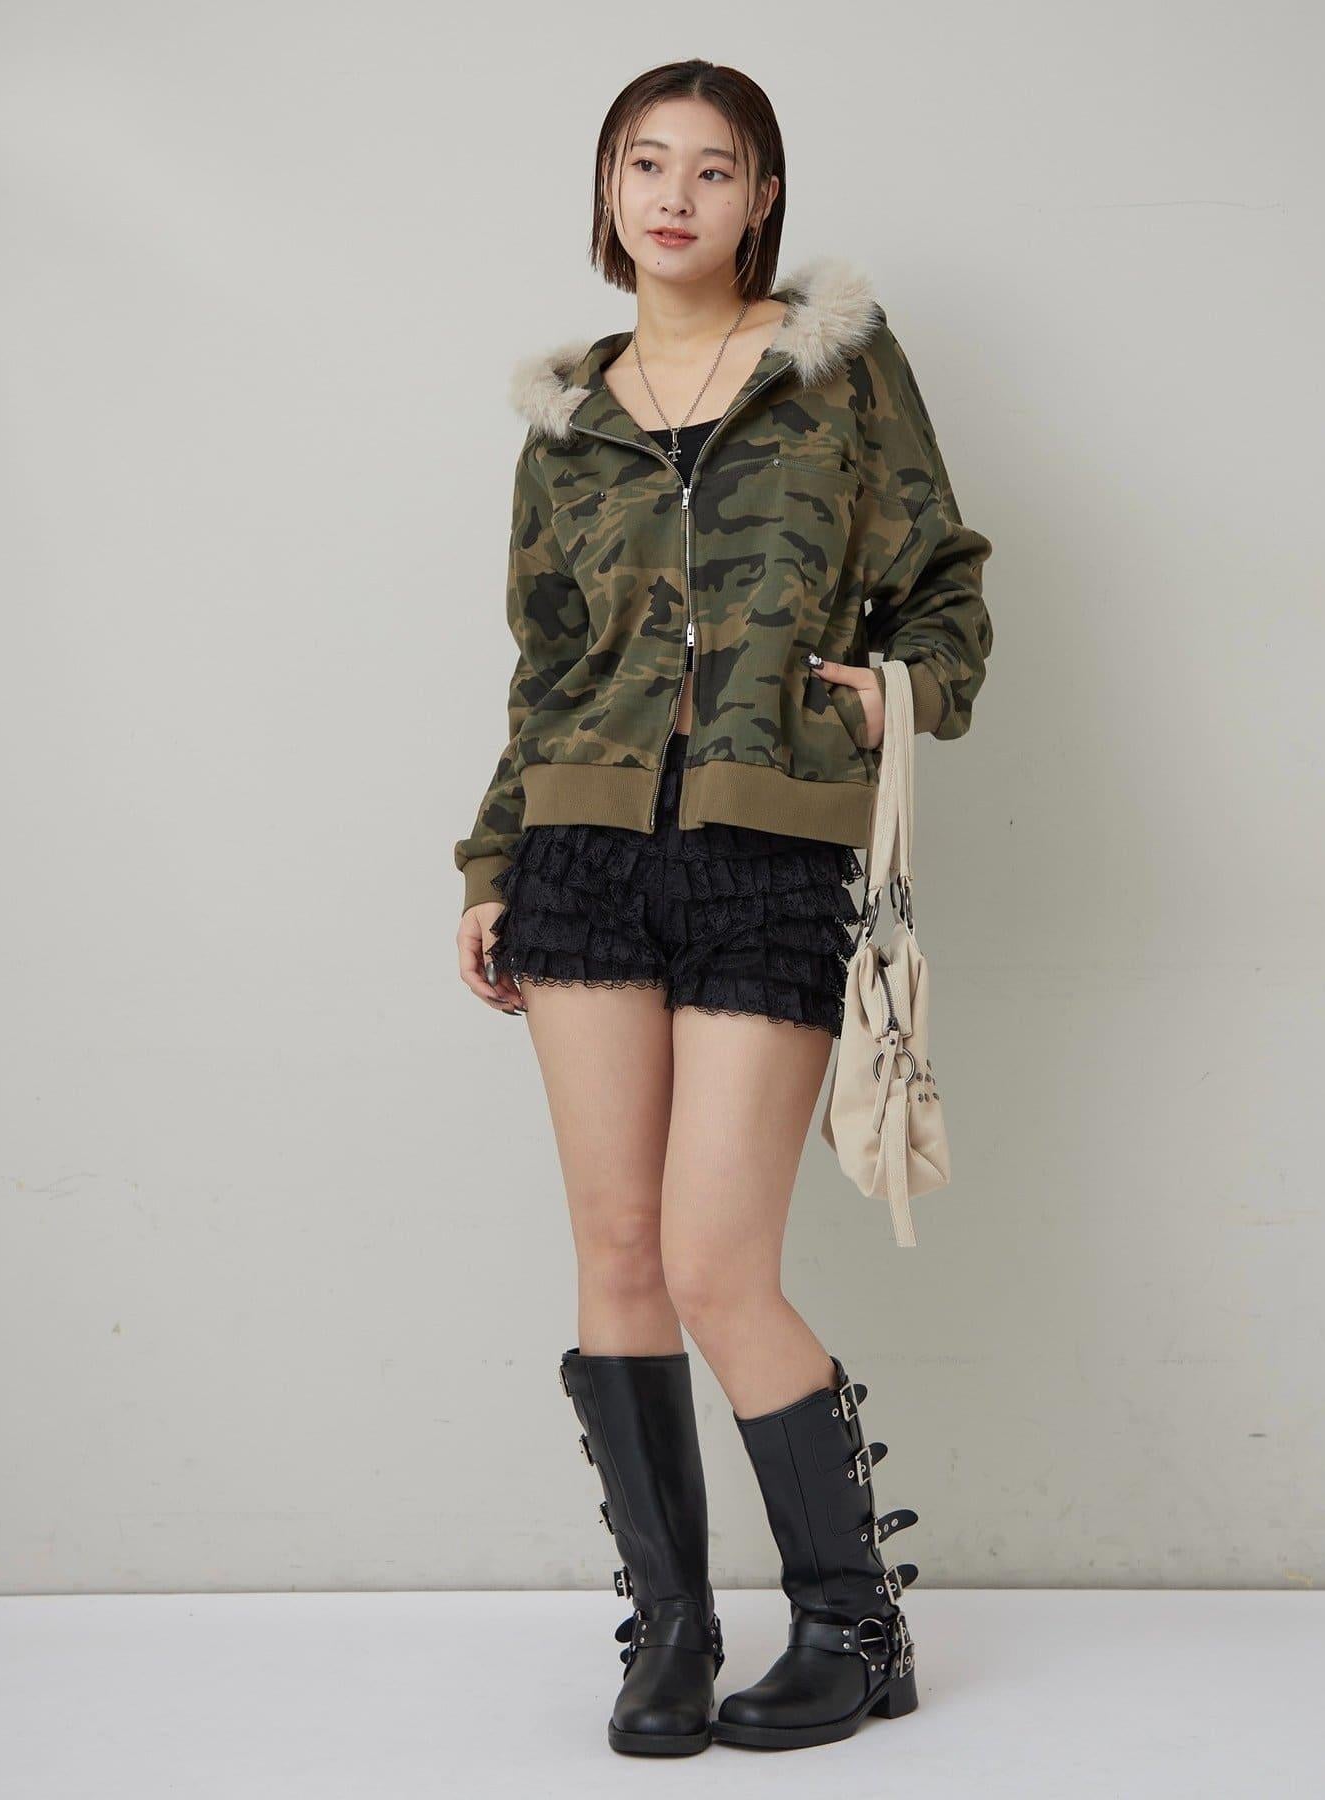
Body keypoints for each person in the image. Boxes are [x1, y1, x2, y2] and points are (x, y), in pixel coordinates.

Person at [453, 59, 993, 1755]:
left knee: (711, 1260)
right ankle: (672, 1635)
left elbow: (946, 589)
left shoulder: (838, 369)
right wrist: (491, 861)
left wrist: (882, 698)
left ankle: (853, 1625)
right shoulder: (570, 418)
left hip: (764, 849)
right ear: (608, 191)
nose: (675, 194)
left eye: (714, 167)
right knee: (617, 1251)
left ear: (764, 196)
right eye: (645, 163)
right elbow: (547, 665)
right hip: (582, 852)